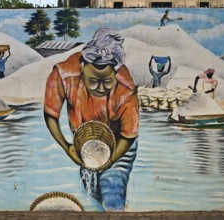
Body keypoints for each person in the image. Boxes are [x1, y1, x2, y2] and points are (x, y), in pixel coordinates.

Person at [44, 28, 139, 211]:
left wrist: (109, 161)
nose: (101, 88)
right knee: (92, 193)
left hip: (119, 142)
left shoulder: (126, 88)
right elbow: (51, 114)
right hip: (84, 143)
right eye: (93, 81)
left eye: (107, 81)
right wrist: (68, 147)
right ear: (81, 68)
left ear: (115, 73)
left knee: (112, 190)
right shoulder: (63, 74)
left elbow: (128, 135)